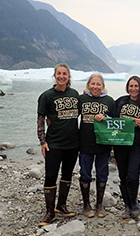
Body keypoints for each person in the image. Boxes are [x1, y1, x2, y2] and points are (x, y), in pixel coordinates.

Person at [37, 63, 80, 226]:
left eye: (65, 74)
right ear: (55, 76)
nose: (62, 76)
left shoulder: (74, 94)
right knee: (50, 176)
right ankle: (49, 212)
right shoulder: (46, 96)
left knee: (67, 175)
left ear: (68, 77)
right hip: (54, 143)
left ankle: (61, 205)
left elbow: (82, 113)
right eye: (59, 74)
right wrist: (42, 141)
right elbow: (41, 119)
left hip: (72, 144)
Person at [114, 76, 140, 219]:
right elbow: (110, 118)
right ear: (127, 87)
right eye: (131, 86)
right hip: (120, 143)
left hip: (137, 145)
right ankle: (127, 205)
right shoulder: (120, 102)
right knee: (123, 175)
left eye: (136, 86)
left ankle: (134, 202)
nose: (133, 89)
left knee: (133, 175)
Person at [78, 73, 115, 218]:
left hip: (103, 144)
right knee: (85, 173)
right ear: (88, 85)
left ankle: (99, 204)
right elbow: (69, 115)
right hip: (85, 143)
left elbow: (116, 120)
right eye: (92, 83)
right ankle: (86, 205)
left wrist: (106, 117)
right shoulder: (81, 99)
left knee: (102, 173)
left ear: (103, 86)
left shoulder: (109, 101)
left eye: (98, 84)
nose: (95, 86)